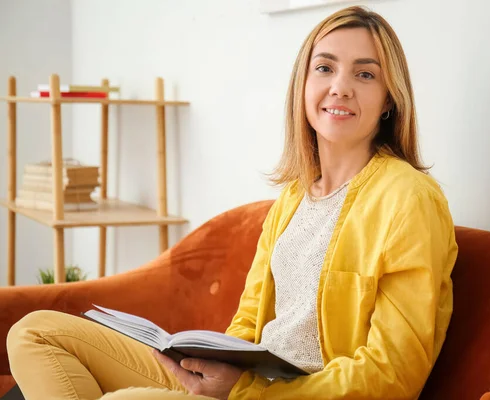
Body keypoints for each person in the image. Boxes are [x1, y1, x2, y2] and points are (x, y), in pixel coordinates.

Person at [7, 6, 458, 400]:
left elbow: (394, 375)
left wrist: (243, 392)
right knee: (35, 333)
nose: (340, 86)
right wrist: (207, 364)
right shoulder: (294, 197)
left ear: (388, 101)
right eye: (324, 68)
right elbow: (248, 320)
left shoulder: (409, 200)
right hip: (245, 387)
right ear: (302, 85)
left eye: (365, 73)